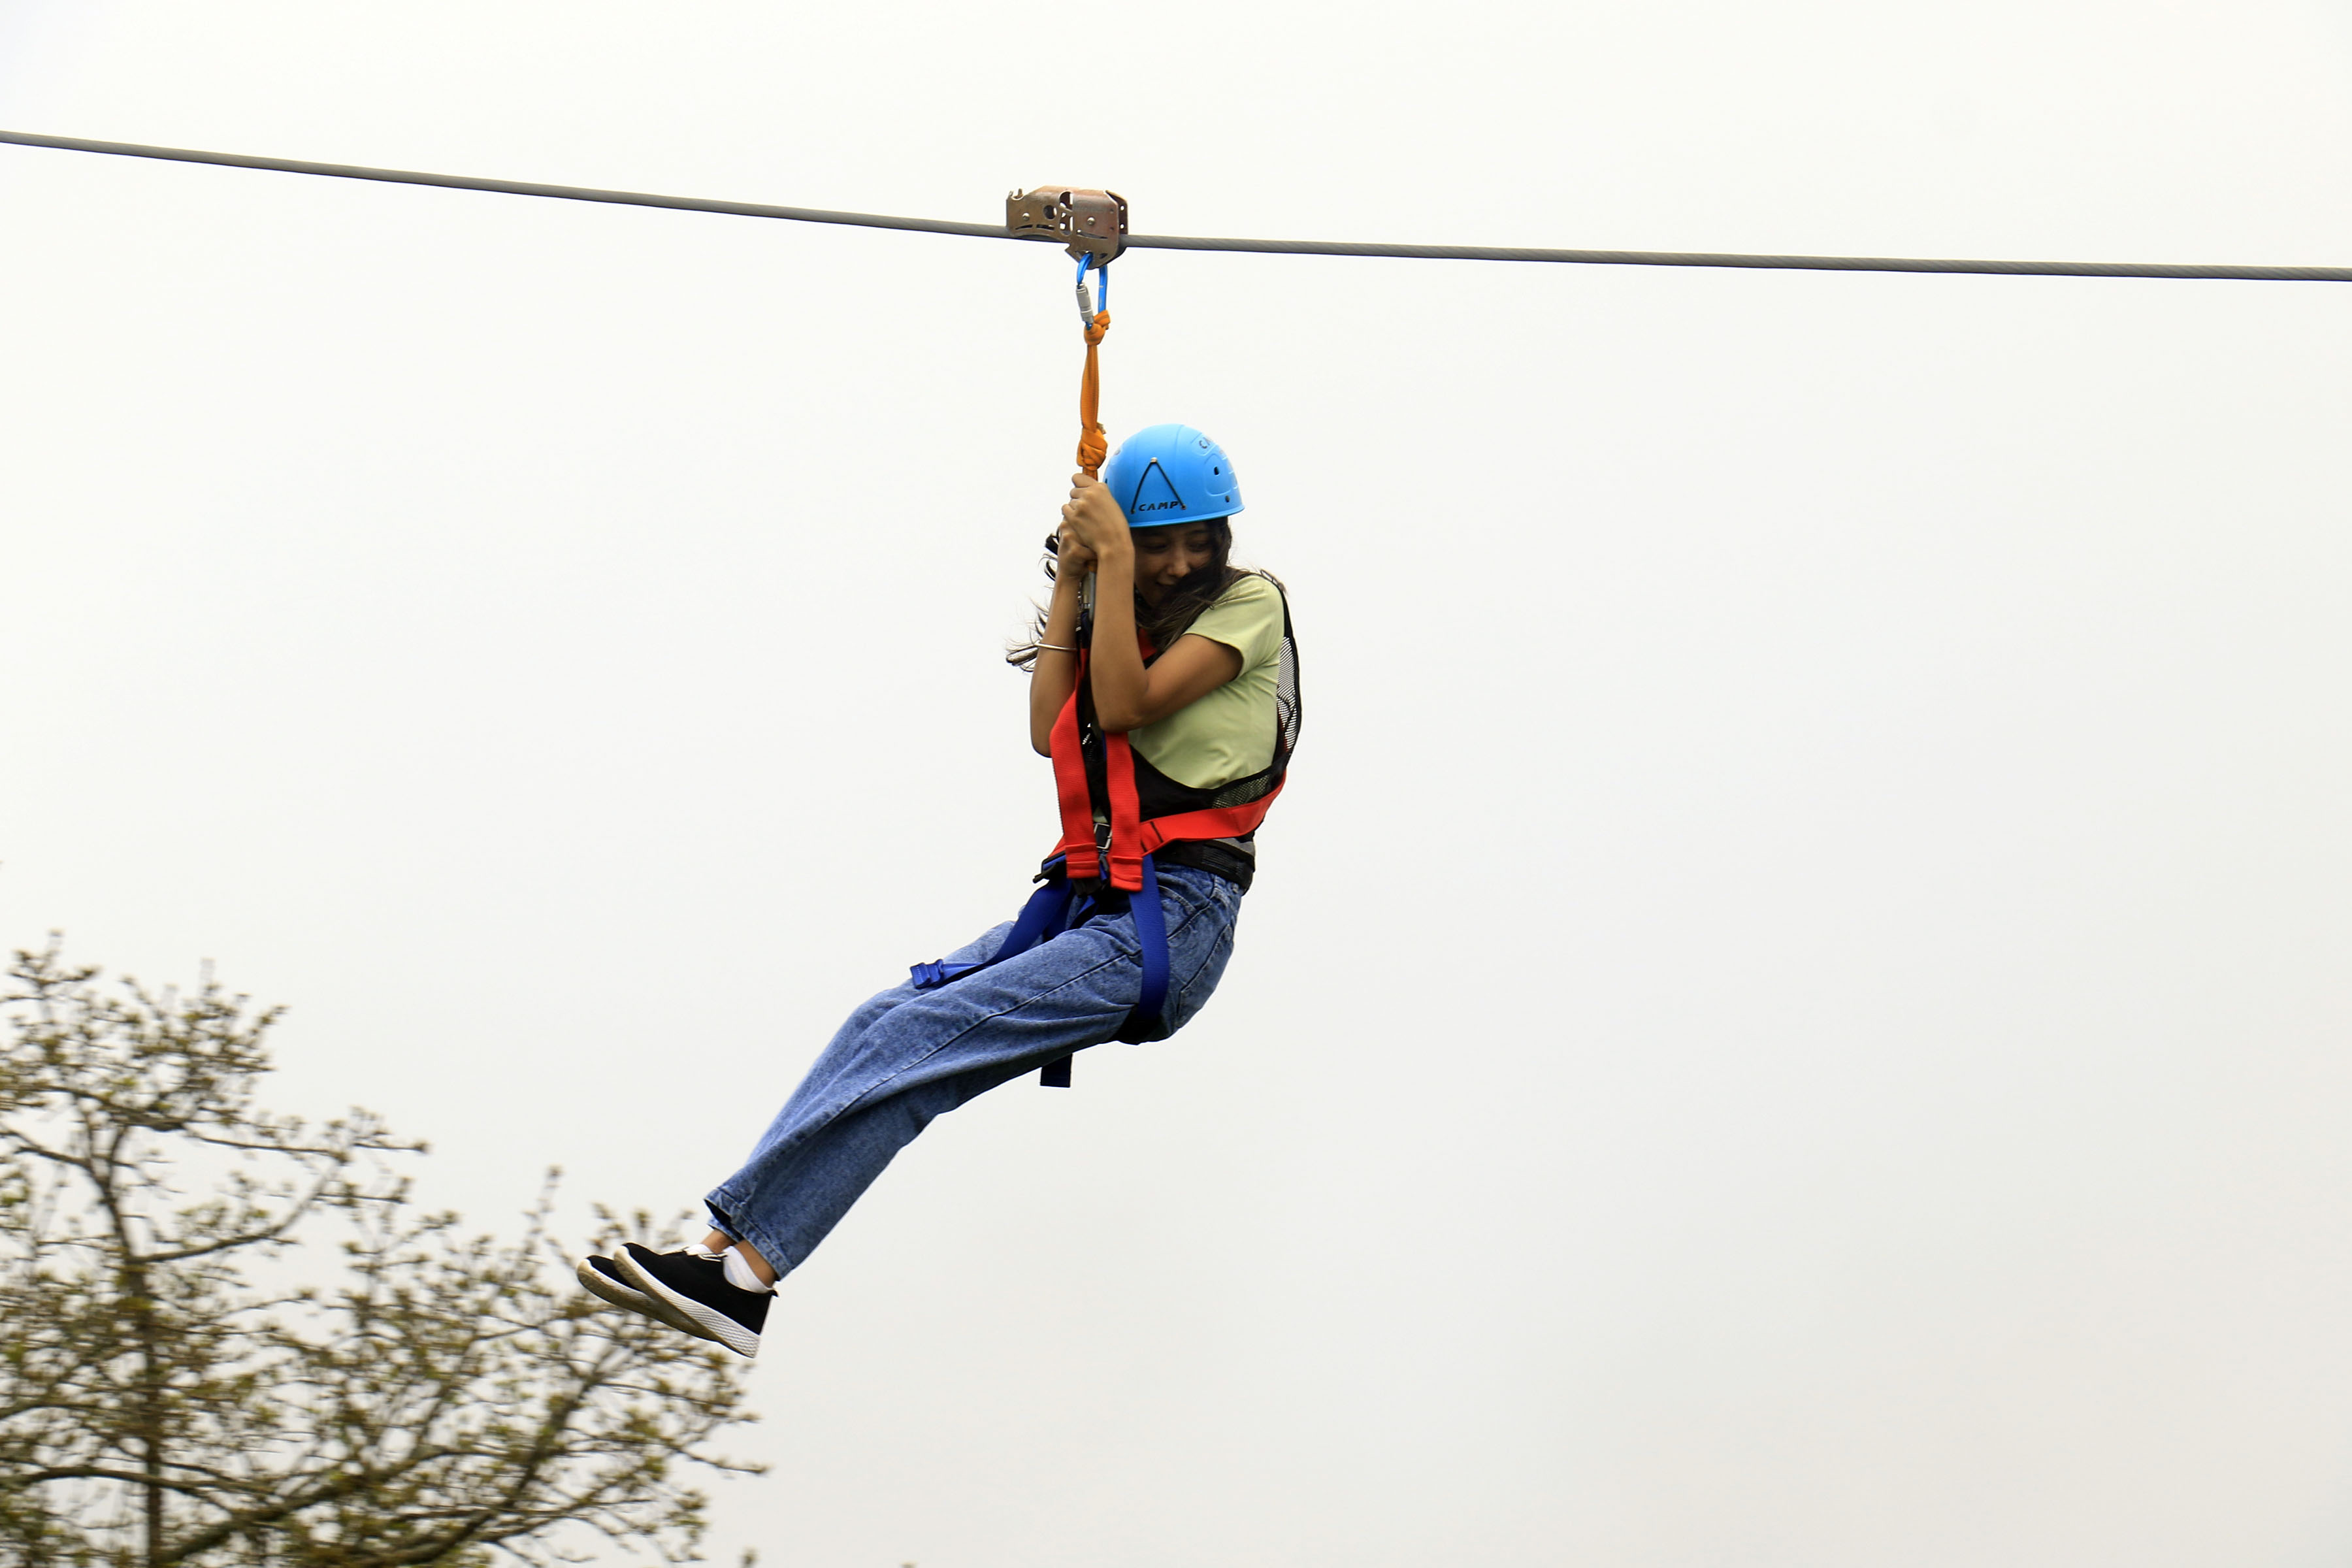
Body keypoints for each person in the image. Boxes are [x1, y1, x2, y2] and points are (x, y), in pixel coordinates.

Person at [576, 424, 1299, 1358]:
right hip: (1106, 905)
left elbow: (1122, 707)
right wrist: (1076, 576)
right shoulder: (1119, 616)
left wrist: (1114, 555)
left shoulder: (1249, 604)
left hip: (1177, 918)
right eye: (1159, 542)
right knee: (883, 1017)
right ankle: (717, 1257)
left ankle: (751, 1279)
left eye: (1197, 540)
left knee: (920, 1045)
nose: (1180, 561)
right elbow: (1052, 728)